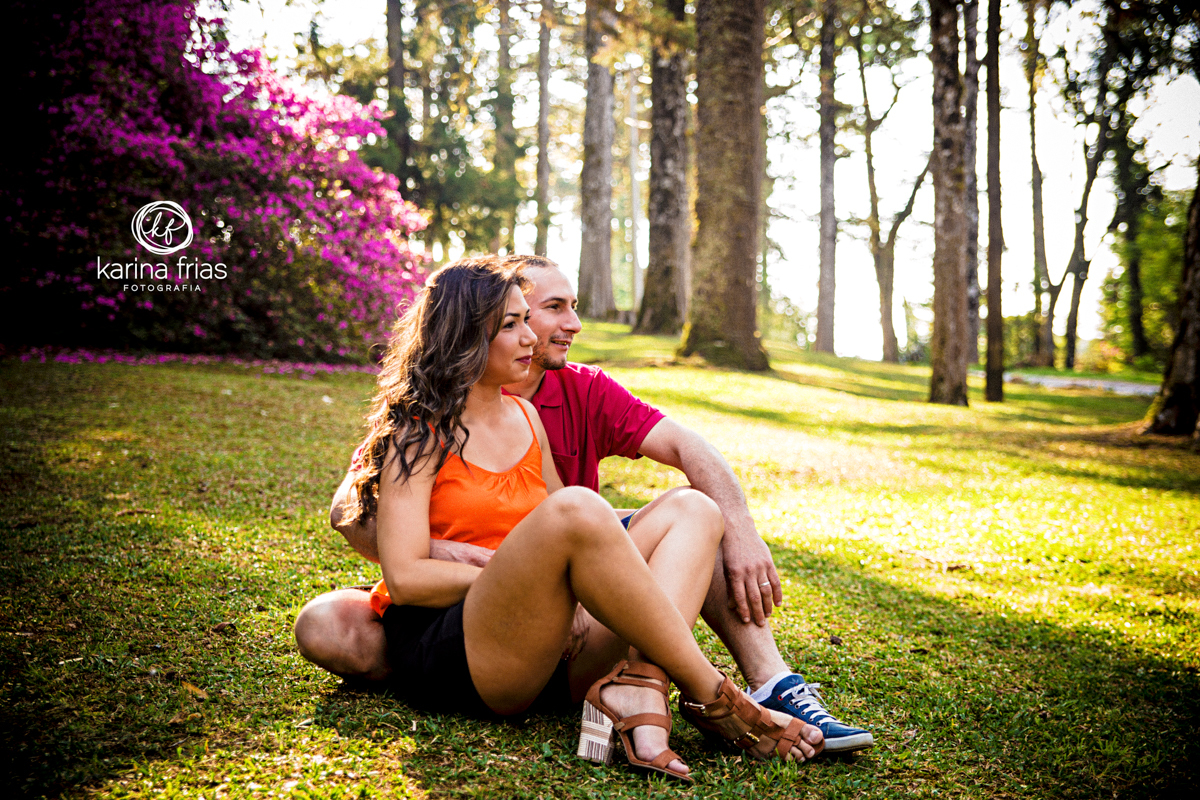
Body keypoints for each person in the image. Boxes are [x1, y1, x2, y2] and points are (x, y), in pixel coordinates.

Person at [302, 255, 873, 754]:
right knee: (578, 507)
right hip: (474, 651)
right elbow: (403, 578)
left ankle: (639, 686)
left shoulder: (527, 416)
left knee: (694, 509)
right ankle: (712, 694)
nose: (533, 337)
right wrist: (505, 573)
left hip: (557, 646)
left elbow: (579, 522)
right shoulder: (419, 433)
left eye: (530, 320)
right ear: (467, 336)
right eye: (514, 323)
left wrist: (558, 586)